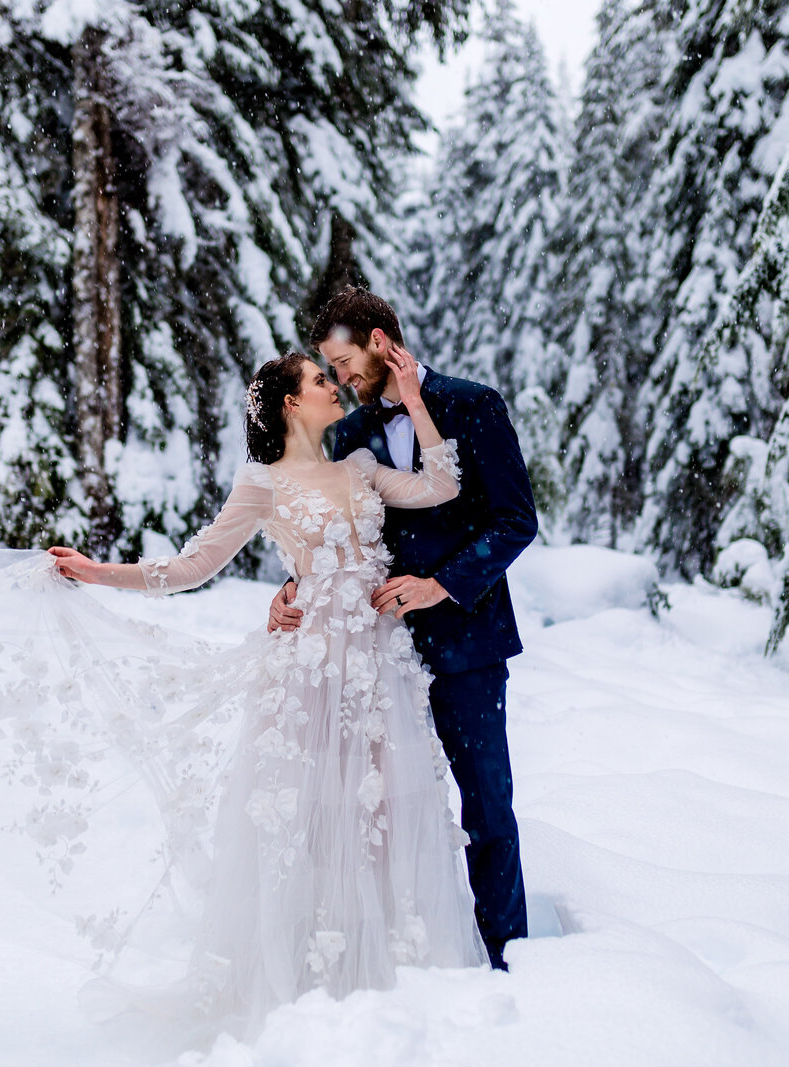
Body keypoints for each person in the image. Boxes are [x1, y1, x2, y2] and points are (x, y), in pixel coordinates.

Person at [46, 346, 486, 1037]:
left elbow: (442, 483)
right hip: (310, 671)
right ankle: (308, 985)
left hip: (378, 668)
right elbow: (193, 566)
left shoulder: (362, 466)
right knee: (312, 823)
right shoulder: (264, 482)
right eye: (319, 379)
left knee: (384, 820)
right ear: (289, 403)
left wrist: (414, 396)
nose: (333, 385)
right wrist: (98, 572)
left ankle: (392, 984)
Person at [268, 286, 538, 971]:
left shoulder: (473, 405)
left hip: (467, 646)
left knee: (486, 808)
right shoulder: (353, 435)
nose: (340, 378)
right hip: (374, 654)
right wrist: (293, 586)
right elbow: (338, 529)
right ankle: (400, 954)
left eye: (344, 360)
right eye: (327, 369)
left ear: (381, 340)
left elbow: (515, 520)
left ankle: (507, 958)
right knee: (378, 813)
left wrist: (440, 584)